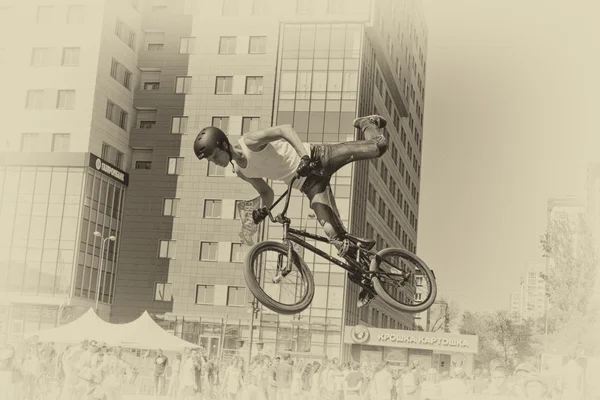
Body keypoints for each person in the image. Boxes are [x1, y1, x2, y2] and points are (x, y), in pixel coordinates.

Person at [194, 115, 389, 308]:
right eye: (211, 160)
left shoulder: (250, 142)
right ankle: (369, 277)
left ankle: (367, 123)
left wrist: (303, 156)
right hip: (310, 184)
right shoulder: (240, 171)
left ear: (224, 145)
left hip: (318, 157)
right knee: (334, 235)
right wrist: (262, 210)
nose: (215, 162)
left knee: (378, 147)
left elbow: (284, 129)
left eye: (215, 156)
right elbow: (266, 192)